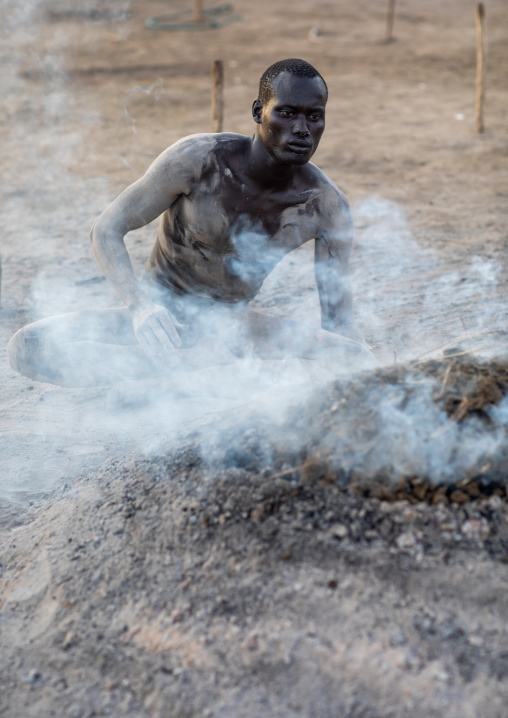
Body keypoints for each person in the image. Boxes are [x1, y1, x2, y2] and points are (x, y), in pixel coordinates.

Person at [7, 58, 372, 390]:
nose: (302, 129)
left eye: (314, 116)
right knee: (26, 347)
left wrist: (363, 370)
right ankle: (177, 375)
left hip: (233, 327)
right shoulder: (199, 161)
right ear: (259, 111)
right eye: (288, 113)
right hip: (160, 315)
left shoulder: (324, 206)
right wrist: (139, 308)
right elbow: (105, 229)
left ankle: (187, 378)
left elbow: (338, 320)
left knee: (356, 357)